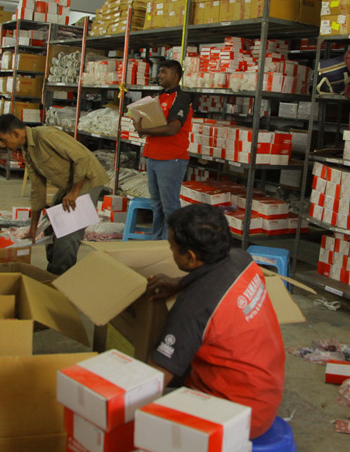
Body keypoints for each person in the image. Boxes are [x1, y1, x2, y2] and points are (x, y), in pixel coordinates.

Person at [146, 204, 285, 439]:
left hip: (235, 416)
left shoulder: (193, 306)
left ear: (191, 257)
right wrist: (180, 283)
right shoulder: (241, 259)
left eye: (172, 247)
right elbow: (212, 279)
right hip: (265, 394)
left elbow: (154, 380)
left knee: (140, 417)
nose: (171, 251)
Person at [0, 115, 109, 274]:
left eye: (2, 140)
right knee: (50, 223)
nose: (1, 144)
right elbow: (37, 188)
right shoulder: (28, 151)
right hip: (70, 184)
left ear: (15, 133)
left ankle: (60, 274)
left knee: (68, 230)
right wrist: (33, 227)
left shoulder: (46, 135)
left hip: (88, 180)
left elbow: (82, 159)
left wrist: (74, 193)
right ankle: (52, 271)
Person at [133, 60, 192, 241]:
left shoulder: (181, 99)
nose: (158, 75)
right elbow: (155, 125)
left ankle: (172, 244)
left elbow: (173, 129)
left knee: (170, 206)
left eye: (163, 72)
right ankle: (157, 240)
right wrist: (141, 125)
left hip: (171, 159)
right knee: (156, 205)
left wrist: (144, 129)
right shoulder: (158, 98)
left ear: (174, 75)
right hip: (153, 156)